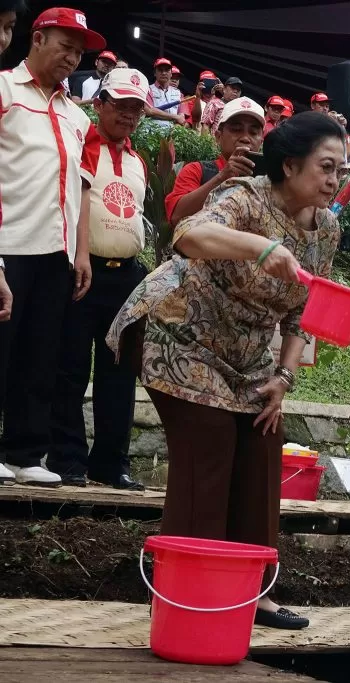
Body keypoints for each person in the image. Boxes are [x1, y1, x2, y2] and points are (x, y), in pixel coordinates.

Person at [106, 112, 345, 630]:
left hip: (247, 353)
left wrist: (283, 379)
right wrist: (263, 247)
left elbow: (303, 312)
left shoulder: (327, 228)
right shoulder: (246, 196)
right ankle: (183, 592)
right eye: (326, 167)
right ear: (290, 164)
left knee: (263, 445)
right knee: (210, 445)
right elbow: (189, 233)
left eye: (340, 170)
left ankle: (250, 592)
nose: (334, 180)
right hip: (182, 333)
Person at [0, 7, 104, 487]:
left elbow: (79, 190)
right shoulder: (4, 91)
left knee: (40, 354)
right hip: (9, 243)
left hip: (55, 252)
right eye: (65, 45)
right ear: (37, 39)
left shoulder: (76, 115)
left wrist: (80, 254)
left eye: (80, 52)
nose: (73, 57)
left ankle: (25, 454)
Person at [49, 68, 151, 490]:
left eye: (136, 109)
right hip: (83, 272)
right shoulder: (84, 143)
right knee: (70, 370)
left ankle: (111, 463)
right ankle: (67, 460)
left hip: (126, 277)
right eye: (120, 105)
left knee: (119, 375)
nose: (128, 115)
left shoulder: (137, 160)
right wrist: (81, 256)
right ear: (101, 103)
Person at [165, 97, 266, 227]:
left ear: (261, 142)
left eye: (253, 132)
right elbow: (176, 216)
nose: (246, 138)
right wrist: (222, 177)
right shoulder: (197, 170)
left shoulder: (269, 181)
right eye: (236, 129)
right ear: (218, 137)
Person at [145, 58, 186, 127]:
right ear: (155, 73)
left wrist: (175, 130)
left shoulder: (179, 93)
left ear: (171, 74)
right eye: (160, 70)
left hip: (173, 133)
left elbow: (181, 116)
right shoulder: (148, 89)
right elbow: (149, 111)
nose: (163, 73)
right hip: (152, 133)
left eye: (167, 70)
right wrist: (175, 117)